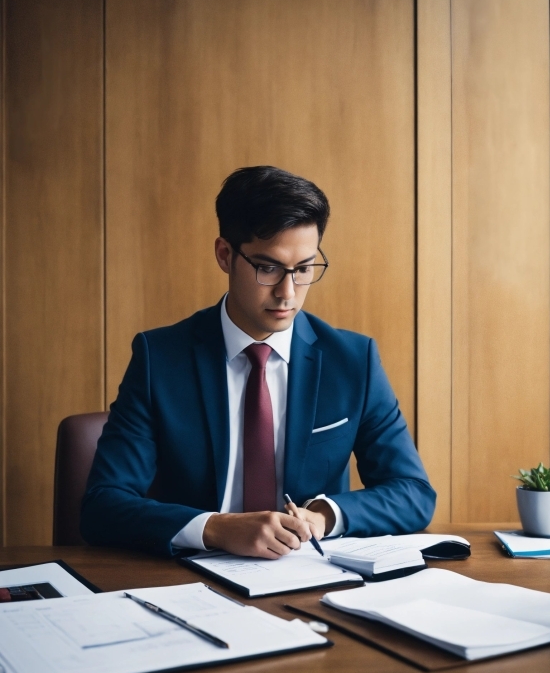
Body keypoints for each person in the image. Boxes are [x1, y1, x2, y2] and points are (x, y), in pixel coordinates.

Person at [81, 166, 436, 557]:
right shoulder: (160, 359)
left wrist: (324, 516)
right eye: (268, 268)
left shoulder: (352, 360)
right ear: (225, 255)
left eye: (302, 269)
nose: (288, 293)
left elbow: (413, 493)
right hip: (192, 582)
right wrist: (214, 528)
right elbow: (103, 505)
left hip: (310, 580)